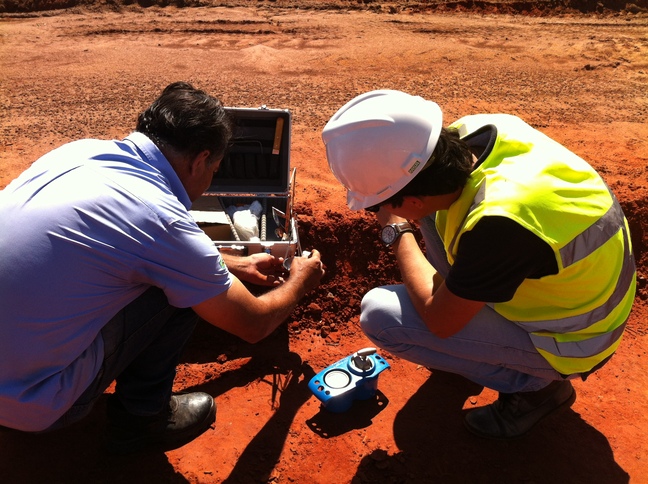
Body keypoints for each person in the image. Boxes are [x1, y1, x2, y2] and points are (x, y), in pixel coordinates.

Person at [0, 82, 325, 453]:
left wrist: (235, 263)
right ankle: (142, 419)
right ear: (200, 159)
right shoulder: (159, 217)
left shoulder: (78, 152)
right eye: (215, 170)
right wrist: (299, 281)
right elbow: (253, 325)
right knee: (173, 291)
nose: (209, 182)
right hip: (26, 404)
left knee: (169, 273)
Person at [322, 90, 636, 439]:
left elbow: (439, 321)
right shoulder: (480, 130)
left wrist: (396, 231)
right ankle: (475, 331)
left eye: (377, 205)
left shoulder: (501, 224)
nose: (377, 212)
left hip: (573, 339)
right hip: (570, 292)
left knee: (380, 315)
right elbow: (436, 208)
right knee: (432, 219)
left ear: (409, 199)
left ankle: (537, 390)